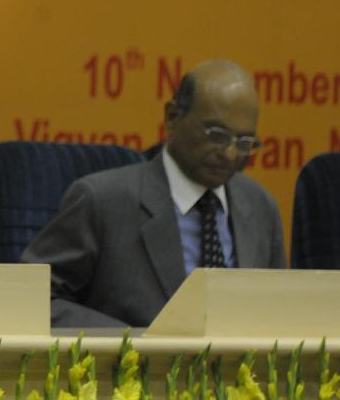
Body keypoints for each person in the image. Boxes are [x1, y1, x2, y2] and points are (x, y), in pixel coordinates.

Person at [20, 59, 286, 329]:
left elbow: (279, 315)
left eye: (244, 142)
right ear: (172, 117)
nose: (230, 154)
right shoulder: (102, 201)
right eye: (217, 135)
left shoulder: (260, 207)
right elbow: (33, 300)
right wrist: (128, 342)